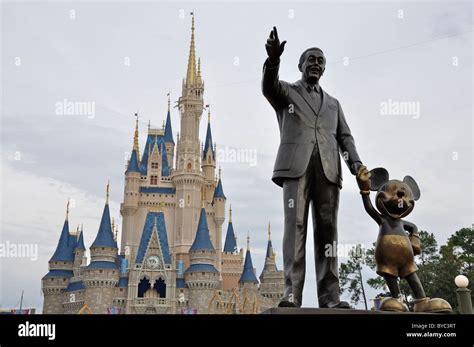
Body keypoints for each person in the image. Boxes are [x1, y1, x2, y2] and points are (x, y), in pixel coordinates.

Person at [262, 27, 364, 308]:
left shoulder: (333, 103)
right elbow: (268, 86)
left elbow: (345, 136)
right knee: (295, 227)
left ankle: (330, 296)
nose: (316, 63)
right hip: (296, 168)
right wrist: (272, 61)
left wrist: (355, 163)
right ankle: (291, 293)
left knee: (328, 232)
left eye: (321, 60)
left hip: (329, 171)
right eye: (311, 59)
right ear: (300, 65)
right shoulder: (287, 92)